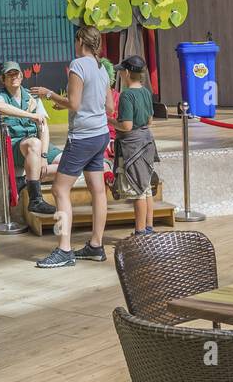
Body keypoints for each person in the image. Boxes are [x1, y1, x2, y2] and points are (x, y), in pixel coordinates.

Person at [31, 25, 114, 268]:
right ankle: (96, 246)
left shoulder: (78, 64)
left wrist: (49, 95)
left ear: (80, 40)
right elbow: (109, 107)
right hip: (100, 135)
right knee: (97, 190)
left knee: (59, 190)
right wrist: (69, 104)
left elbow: (75, 104)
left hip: (82, 137)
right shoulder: (101, 67)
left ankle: (64, 249)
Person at [0, 62, 60, 215]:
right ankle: (35, 200)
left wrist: (43, 157)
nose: (13, 77)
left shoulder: (32, 97)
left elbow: (44, 127)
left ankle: (24, 180)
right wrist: (31, 115)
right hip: (13, 146)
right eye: (9, 74)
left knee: (69, 164)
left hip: (36, 145)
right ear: (3, 79)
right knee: (34, 143)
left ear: (22, 76)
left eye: (16, 73)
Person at [113, 56, 159, 235]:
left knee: (137, 189)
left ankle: (139, 232)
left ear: (126, 73)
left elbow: (127, 126)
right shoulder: (147, 92)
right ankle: (148, 227)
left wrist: (110, 120)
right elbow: (149, 120)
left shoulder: (126, 95)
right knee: (146, 187)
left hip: (133, 146)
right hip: (147, 141)